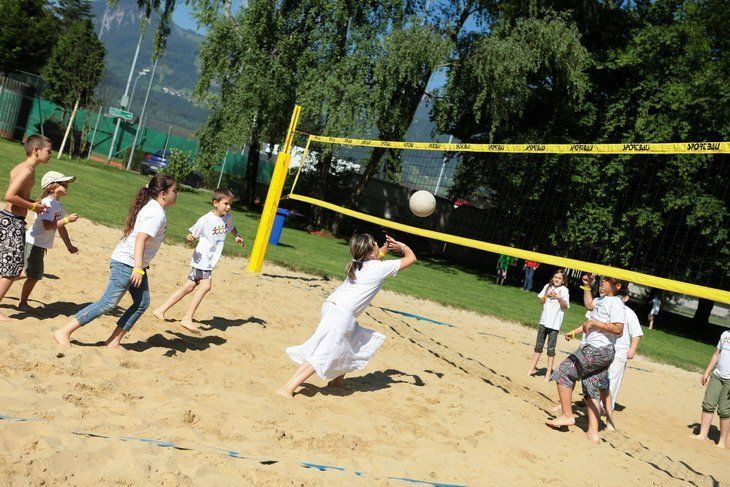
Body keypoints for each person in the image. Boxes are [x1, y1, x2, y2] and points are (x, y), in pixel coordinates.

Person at [277, 234, 417, 398]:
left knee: (352, 341)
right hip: (341, 314)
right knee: (323, 354)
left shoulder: (359, 262)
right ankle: (287, 388)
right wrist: (402, 247)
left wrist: (387, 247)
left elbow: (376, 256)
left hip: (332, 307)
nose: (377, 245)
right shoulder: (378, 268)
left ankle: (336, 382)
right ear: (370, 252)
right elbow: (411, 258)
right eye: (375, 243)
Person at [53, 175, 178, 349]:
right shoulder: (156, 213)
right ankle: (64, 331)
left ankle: (113, 341)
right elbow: (140, 239)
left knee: (142, 302)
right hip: (128, 263)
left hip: (134, 264)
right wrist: (138, 268)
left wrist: (139, 267)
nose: (177, 194)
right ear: (163, 193)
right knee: (108, 303)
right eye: (174, 191)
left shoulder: (155, 208)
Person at [546, 276, 627, 444]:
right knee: (591, 385)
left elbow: (619, 329)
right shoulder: (602, 299)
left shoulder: (616, 303)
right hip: (601, 350)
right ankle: (593, 432)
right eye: (603, 278)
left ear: (617, 286)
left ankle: (567, 415)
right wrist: (587, 286)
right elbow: (589, 305)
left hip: (598, 349)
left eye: (608, 280)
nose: (603, 281)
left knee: (563, 372)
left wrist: (597, 324)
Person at [153, 188, 244, 333]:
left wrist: (237, 236)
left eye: (230, 204)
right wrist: (190, 238)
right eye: (226, 203)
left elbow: (231, 227)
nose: (228, 207)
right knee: (206, 286)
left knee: (189, 287)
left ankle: (160, 310)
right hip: (203, 258)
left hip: (209, 260)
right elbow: (191, 234)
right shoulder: (205, 219)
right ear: (215, 203)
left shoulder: (227, 217)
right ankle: (187, 318)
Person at [0, 135, 51, 321]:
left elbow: (18, 195)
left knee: (7, 265)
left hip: (8, 219)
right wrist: (32, 206)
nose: (50, 155)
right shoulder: (28, 169)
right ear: (36, 150)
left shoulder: (23, 167)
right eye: (48, 151)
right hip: (12, 222)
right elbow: (9, 196)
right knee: (12, 268)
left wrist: (31, 202)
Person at [18, 171, 79, 310]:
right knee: (30, 274)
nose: (66, 185)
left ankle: (21, 300)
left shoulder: (58, 205)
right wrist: (66, 220)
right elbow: (47, 226)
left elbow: (61, 227)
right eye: (63, 183)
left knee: (32, 274)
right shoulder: (47, 203)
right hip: (34, 243)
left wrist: (69, 245)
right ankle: (19, 298)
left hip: (40, 244)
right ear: (51, 187)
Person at [690, 330, 729, 449]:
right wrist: (707, 372)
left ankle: (722, 442)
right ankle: (702, 435)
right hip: (717, 376)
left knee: (724, 410)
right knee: (708, 404)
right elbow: (717, 354)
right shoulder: (725, 334)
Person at [527, 269, 569, 381]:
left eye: (559, 278)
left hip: (554, 325)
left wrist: (560, 298)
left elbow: (565, 306)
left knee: (550, 349)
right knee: (538, 346)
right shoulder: (547, 286)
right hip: (543, 321)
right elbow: (541, 301)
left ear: (563, 280)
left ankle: (548, 373)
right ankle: (532, 369)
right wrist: (547, 295)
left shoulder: (564, 290)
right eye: (555, 277)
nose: (557, 279)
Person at [605, 293, 643, 411]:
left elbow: (636, 333)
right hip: (605, 347)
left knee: (613, 378)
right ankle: (594, 401)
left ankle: (606, 406)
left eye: (620, 296)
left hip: (620, 351)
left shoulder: (629, 313)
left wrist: (633, 349)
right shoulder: (608, 308)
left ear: (626, 298)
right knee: (601, 375)